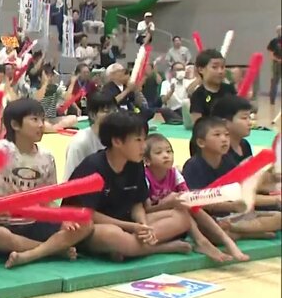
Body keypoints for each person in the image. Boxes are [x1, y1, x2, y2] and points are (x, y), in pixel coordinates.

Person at [0, 99, 93, 268]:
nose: (41, 125)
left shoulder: (47, 157)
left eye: (42, 119)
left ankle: (31, 254)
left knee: (85, 223)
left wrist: (63, 219)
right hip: (3, 224)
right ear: (15, 125)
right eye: (34, 119)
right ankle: (53, 249)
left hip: (36, 221)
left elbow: (47, 200)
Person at [63, 111, 192, 260]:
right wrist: (130, 227)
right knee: (113, 235)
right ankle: (161, 247)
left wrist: (143, 225)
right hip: (91, 227)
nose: (144, 146)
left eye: (144, 139)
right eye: (138, 140)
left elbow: (137, 203)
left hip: (126, 222)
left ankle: (129, 249)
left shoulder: (135, 163)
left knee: (181, 217)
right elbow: (89, 213)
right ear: (117, 141)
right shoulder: (93, 166)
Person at [143, 134, 248, 263]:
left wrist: (177, 201)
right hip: (154, 219)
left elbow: (189, 198)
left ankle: (227, 241)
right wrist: (167, 204)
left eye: (169, 151)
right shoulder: (144, 177)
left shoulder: (174, 173)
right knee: (182, 206)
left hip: (174, 215)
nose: (166, 155)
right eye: (159, 153)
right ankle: (202, 242)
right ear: (147, 160)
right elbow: (145, 210)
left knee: (189, 204)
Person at [183, 117, 281, 239]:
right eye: (217, 135)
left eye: (227, 135)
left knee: (278, 218)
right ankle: (246, 233)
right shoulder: (193, 166)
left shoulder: (228, 161)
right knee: (212, 233)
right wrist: (231, 206)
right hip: (209, 218)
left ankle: (237, 230)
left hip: (233, 215)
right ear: (201, 142)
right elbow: (195, 201)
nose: (224, 139)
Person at [64, 92, 117, 180]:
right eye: (106, 111)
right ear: (93, 115)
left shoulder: (119, 139)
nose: (112, 115)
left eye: (114, 110)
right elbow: (70, 180)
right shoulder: (79, 143)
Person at [188, 49, 236, 126]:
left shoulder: (230, 90)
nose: (220, 71)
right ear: (201, 69)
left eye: (222, 67)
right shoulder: (198, 95)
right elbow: (198, 125)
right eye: (214, 67)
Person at [267, 25, 281, 107]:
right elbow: (271, 53)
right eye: (279, 30)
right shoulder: (274, 41)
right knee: (274, 82)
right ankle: (272, 100)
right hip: (276, 64)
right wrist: (277, 60)